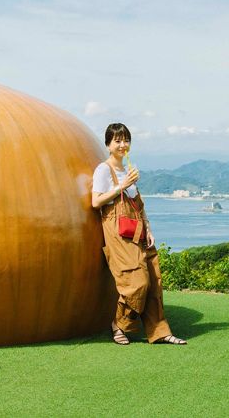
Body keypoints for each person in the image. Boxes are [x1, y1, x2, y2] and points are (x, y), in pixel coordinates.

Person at [91, 123, 187, 345]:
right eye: (117, 140)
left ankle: (160, 331)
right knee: (136, 282)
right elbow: (96, 201)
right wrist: (121, 185)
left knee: (153, 281)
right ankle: (119, 324)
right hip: (118, 232)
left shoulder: (128, 170)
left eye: (126, 140)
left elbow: (138, 206)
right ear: (108, 145)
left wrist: (149, 228)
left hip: (139, 230)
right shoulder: (104, 170)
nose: (123, 145)